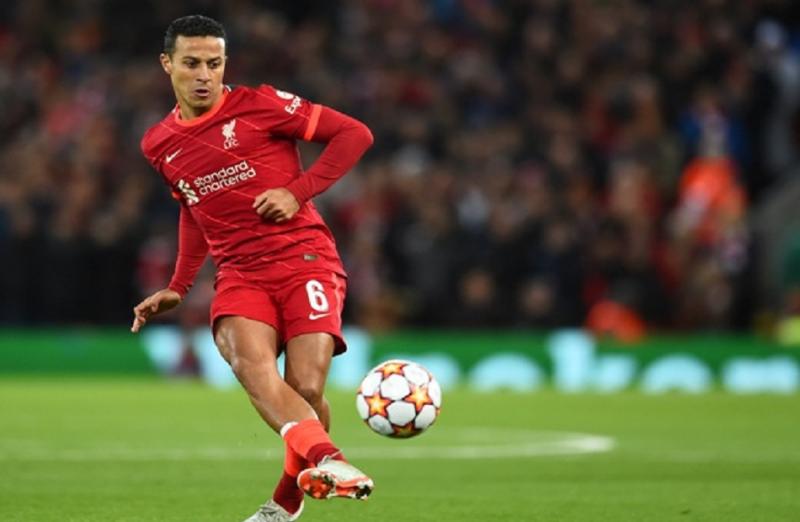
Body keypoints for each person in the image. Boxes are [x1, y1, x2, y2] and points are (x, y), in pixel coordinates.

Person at [130, 14, 374, 522]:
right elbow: (193, 207)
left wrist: (297, 192)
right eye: (192, 63)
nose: (204, 75)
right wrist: (179, 284)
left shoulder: (261, 105)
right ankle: (331, 461)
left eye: (214, 63)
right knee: (252, 366)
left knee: (306, 389)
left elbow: (355, 134)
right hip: (240, 274)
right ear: (167, 64)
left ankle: (287, 501)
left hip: (305, 259)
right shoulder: (158, 143)